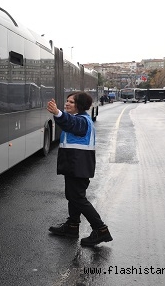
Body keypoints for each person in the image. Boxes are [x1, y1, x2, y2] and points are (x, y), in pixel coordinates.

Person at [46, 92, 112, 247]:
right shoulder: (80, 119)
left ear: (80, 106)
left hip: (78, 165)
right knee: (73, 196)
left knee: (77, 198)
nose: (67, 104)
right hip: (74, 164)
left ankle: (101, 230)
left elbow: (70, 123)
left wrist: (57, 112)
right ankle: (72, 226)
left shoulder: (82, 121)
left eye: (71, 102)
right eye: (66, 101)